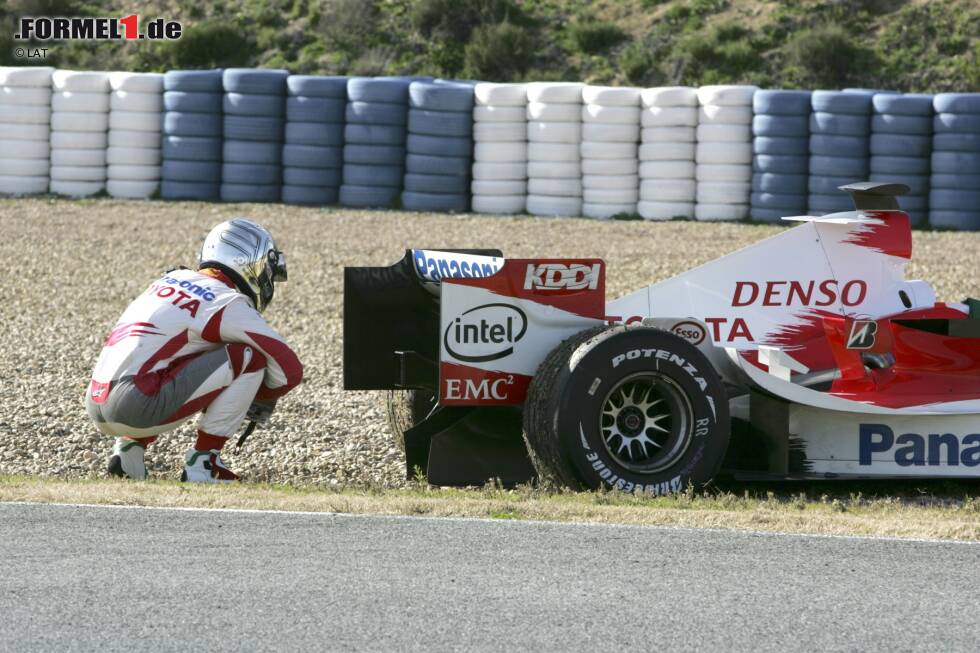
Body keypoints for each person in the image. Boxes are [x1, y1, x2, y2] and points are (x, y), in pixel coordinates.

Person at [85, 218, 303, 482]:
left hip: (96, 401)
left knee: (179, 350)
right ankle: (204, 463)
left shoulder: (170, 278)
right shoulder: (226, 300)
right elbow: (289, 370)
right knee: (250, 357)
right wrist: (257, 398)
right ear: (252, 264)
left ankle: (129, 450)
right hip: (136, 406)